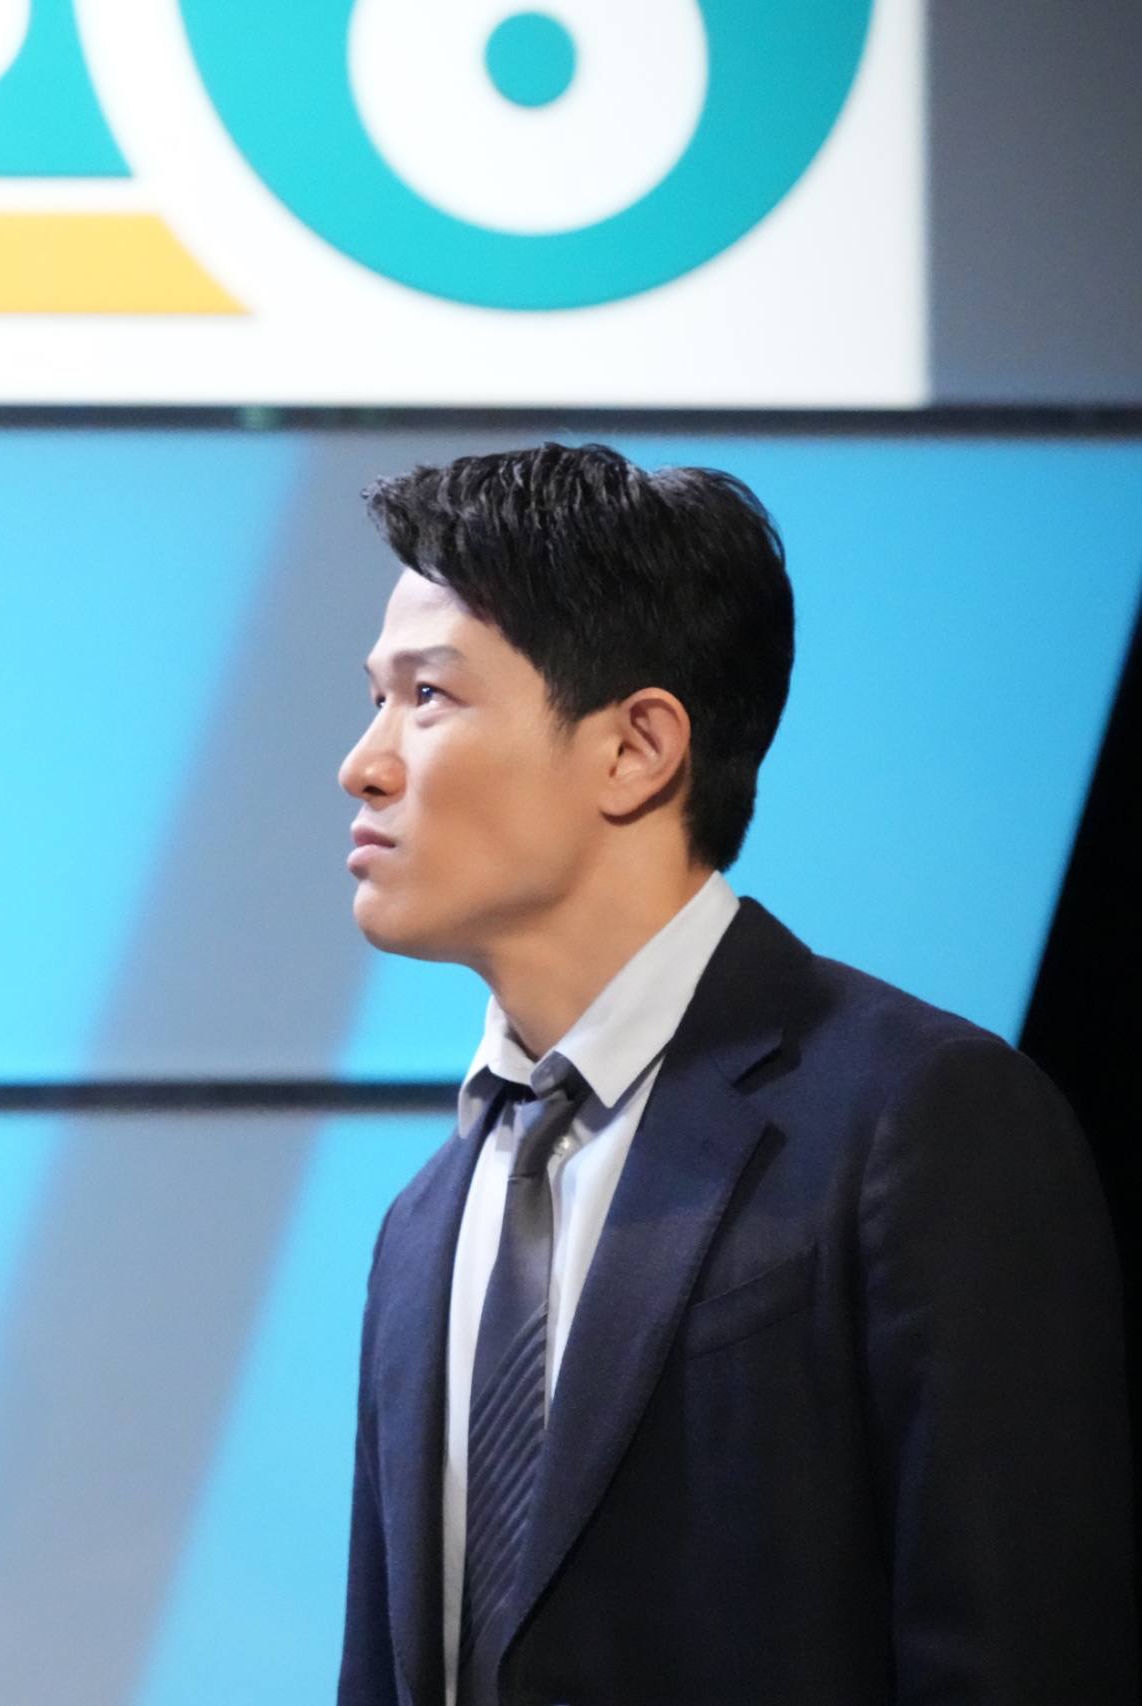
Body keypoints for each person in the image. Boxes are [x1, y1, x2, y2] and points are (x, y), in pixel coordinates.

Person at [333, 443, 1133, 1706]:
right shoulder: (423, 1218)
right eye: (376, 697)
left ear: (636, 747)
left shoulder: (917, 1119)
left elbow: (1022, 1646)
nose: (364, 761)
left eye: (427, 695)